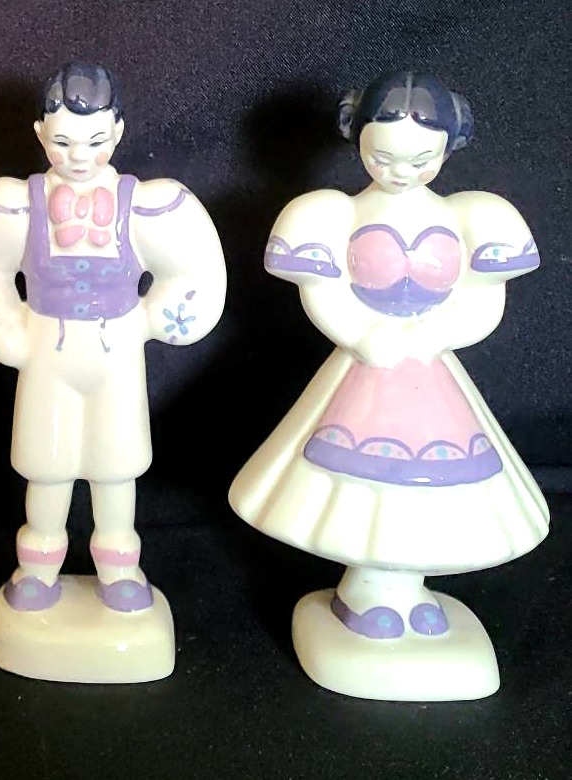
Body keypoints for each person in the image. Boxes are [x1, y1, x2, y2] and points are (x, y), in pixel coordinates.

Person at [230, 71, 547, 695]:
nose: (401, 171)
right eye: (383, 157)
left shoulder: (471, 216)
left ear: (449, 148)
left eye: (421, 158)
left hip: (429, 371)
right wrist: (362, 333)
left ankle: (409, 589)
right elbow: (322, 292)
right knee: (356, 483)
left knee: (433, 485)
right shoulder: (334, 213)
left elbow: (485, 299)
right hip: (368, 366)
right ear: (358, 141)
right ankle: (364, 591)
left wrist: (439, 334)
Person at [0, 62, 226, 615]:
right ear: (40, 135)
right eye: (63, 142)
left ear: (117, 132)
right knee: (46, 464)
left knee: (116, 464)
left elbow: (196, 271)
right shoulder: (14, 205)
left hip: (116, 352)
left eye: (95, 141)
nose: (79, 156)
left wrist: (150, 321)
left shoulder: (146, 206)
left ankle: (119, 564)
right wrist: (3, 331)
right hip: (46, 352)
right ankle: (38, 563)